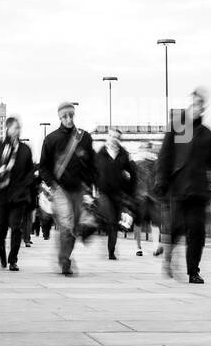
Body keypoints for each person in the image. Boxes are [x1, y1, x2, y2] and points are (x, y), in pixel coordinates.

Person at [156, 88, 211, 283]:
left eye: (201, 104)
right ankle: (169, 257)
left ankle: (193, 271)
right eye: (195, 103)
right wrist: (162, 180)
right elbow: (166, 154)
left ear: (203, 108)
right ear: (190, 103)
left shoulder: (207, 134)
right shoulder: (180, 127)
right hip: (179, 188)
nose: (197, 107)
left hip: (198, 191)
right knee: (176, 228)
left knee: (197, 231)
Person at [40, 102, 95, 276]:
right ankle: (65, 261)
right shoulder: (51, 139)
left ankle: (64, 256)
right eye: (65, 116)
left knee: (74, 226)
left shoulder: (84, 138)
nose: (69, 119)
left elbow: (91, 164)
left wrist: (90, 186)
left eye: (71, 115)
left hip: (79, 188)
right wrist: (52, 185)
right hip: (60, 189)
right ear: (59, 117)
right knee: (66, 224)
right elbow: (43, 167)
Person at [0, 117, 36, 270]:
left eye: (19, 128)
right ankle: (1, 249)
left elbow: (30, 171)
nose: (17, 131)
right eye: (15, 128)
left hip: (19, 195)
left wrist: (25, 185)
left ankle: (13, 259)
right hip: (1, 193)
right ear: (7, 129)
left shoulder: (25, 149)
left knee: (16, 227)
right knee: (0, 225)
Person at [95, 127, 137, 261]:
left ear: (120, 139)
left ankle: (111, 251)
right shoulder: (100, 153)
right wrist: (93, 188)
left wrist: (130, 191)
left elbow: (133, 174)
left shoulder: (124, 154)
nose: (114, 139)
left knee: (113, 223)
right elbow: (93, 171)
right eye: (112, 136)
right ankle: (102, 224)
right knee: (111, 219)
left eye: (117, 137)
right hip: (103, 192)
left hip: (118, 193)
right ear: (108, 137)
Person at [129, 142, 160, 256]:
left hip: (150, 197)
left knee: (154, 222)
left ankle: (155, 247)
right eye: (146, 149)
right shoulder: (136, 163)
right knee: (139, 223)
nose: (148, 151)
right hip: (141, 197)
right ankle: (138, 247)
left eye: (149, 149)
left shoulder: (154, 163)